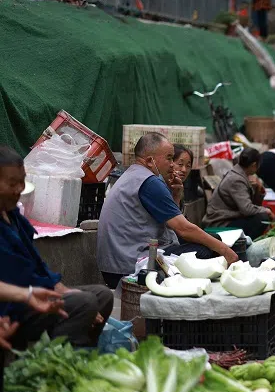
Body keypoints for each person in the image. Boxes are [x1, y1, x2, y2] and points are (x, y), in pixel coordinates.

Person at [0, 146, 113, 348]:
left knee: (102, 296)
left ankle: (82, 349)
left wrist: (61, 289)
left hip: (29, 294)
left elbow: (36, 264)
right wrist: (57, 292)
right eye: (11, 183)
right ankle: (55, 361)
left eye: (21, 181)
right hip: (10, 307)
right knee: (84, 304)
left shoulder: (13, 217)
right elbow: (17, 276)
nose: (19, 189)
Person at [98, 133, 238, 289]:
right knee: (206, 249)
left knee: (212, 239)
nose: (173, 165)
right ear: (150, 161)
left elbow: (172, 226)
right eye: (170, 158)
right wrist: (225, 250)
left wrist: (176, 195)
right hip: (128, 267)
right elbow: (184, 229)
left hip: (116, 264)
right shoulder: (150, 183)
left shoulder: (134, 174)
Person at [203, 148, 274, 239]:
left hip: (230, 218)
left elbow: (253, 205)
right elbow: (247, 209)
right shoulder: (236, 180)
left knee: (262, 213)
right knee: (262, 218)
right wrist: (266, 211)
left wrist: (258, 189)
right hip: (220, 222)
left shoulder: (240, 175)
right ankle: (245, 246)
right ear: (254, 165)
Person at [167, 144, 193, 210]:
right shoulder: (162, 187)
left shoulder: (179, 187)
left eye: (188, 166)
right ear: (170, 163)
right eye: (180, 164)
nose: (184, 170)